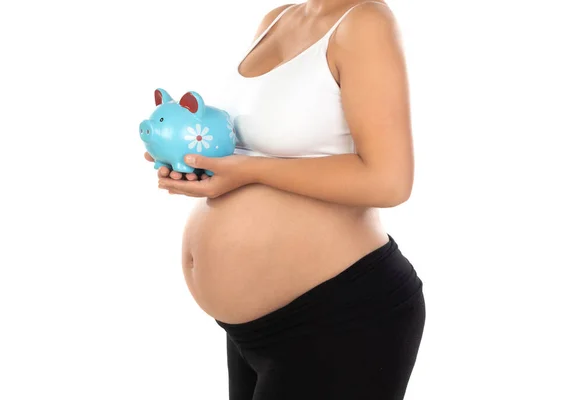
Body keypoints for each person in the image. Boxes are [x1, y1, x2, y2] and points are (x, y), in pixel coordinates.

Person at [145, 0, 425, 398]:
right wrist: (196, 163)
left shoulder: (364, 21)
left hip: (339, 319)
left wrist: (249, 172)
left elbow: (390, 181)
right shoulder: (276, 18)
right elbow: (260, 147)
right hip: (253, 331)